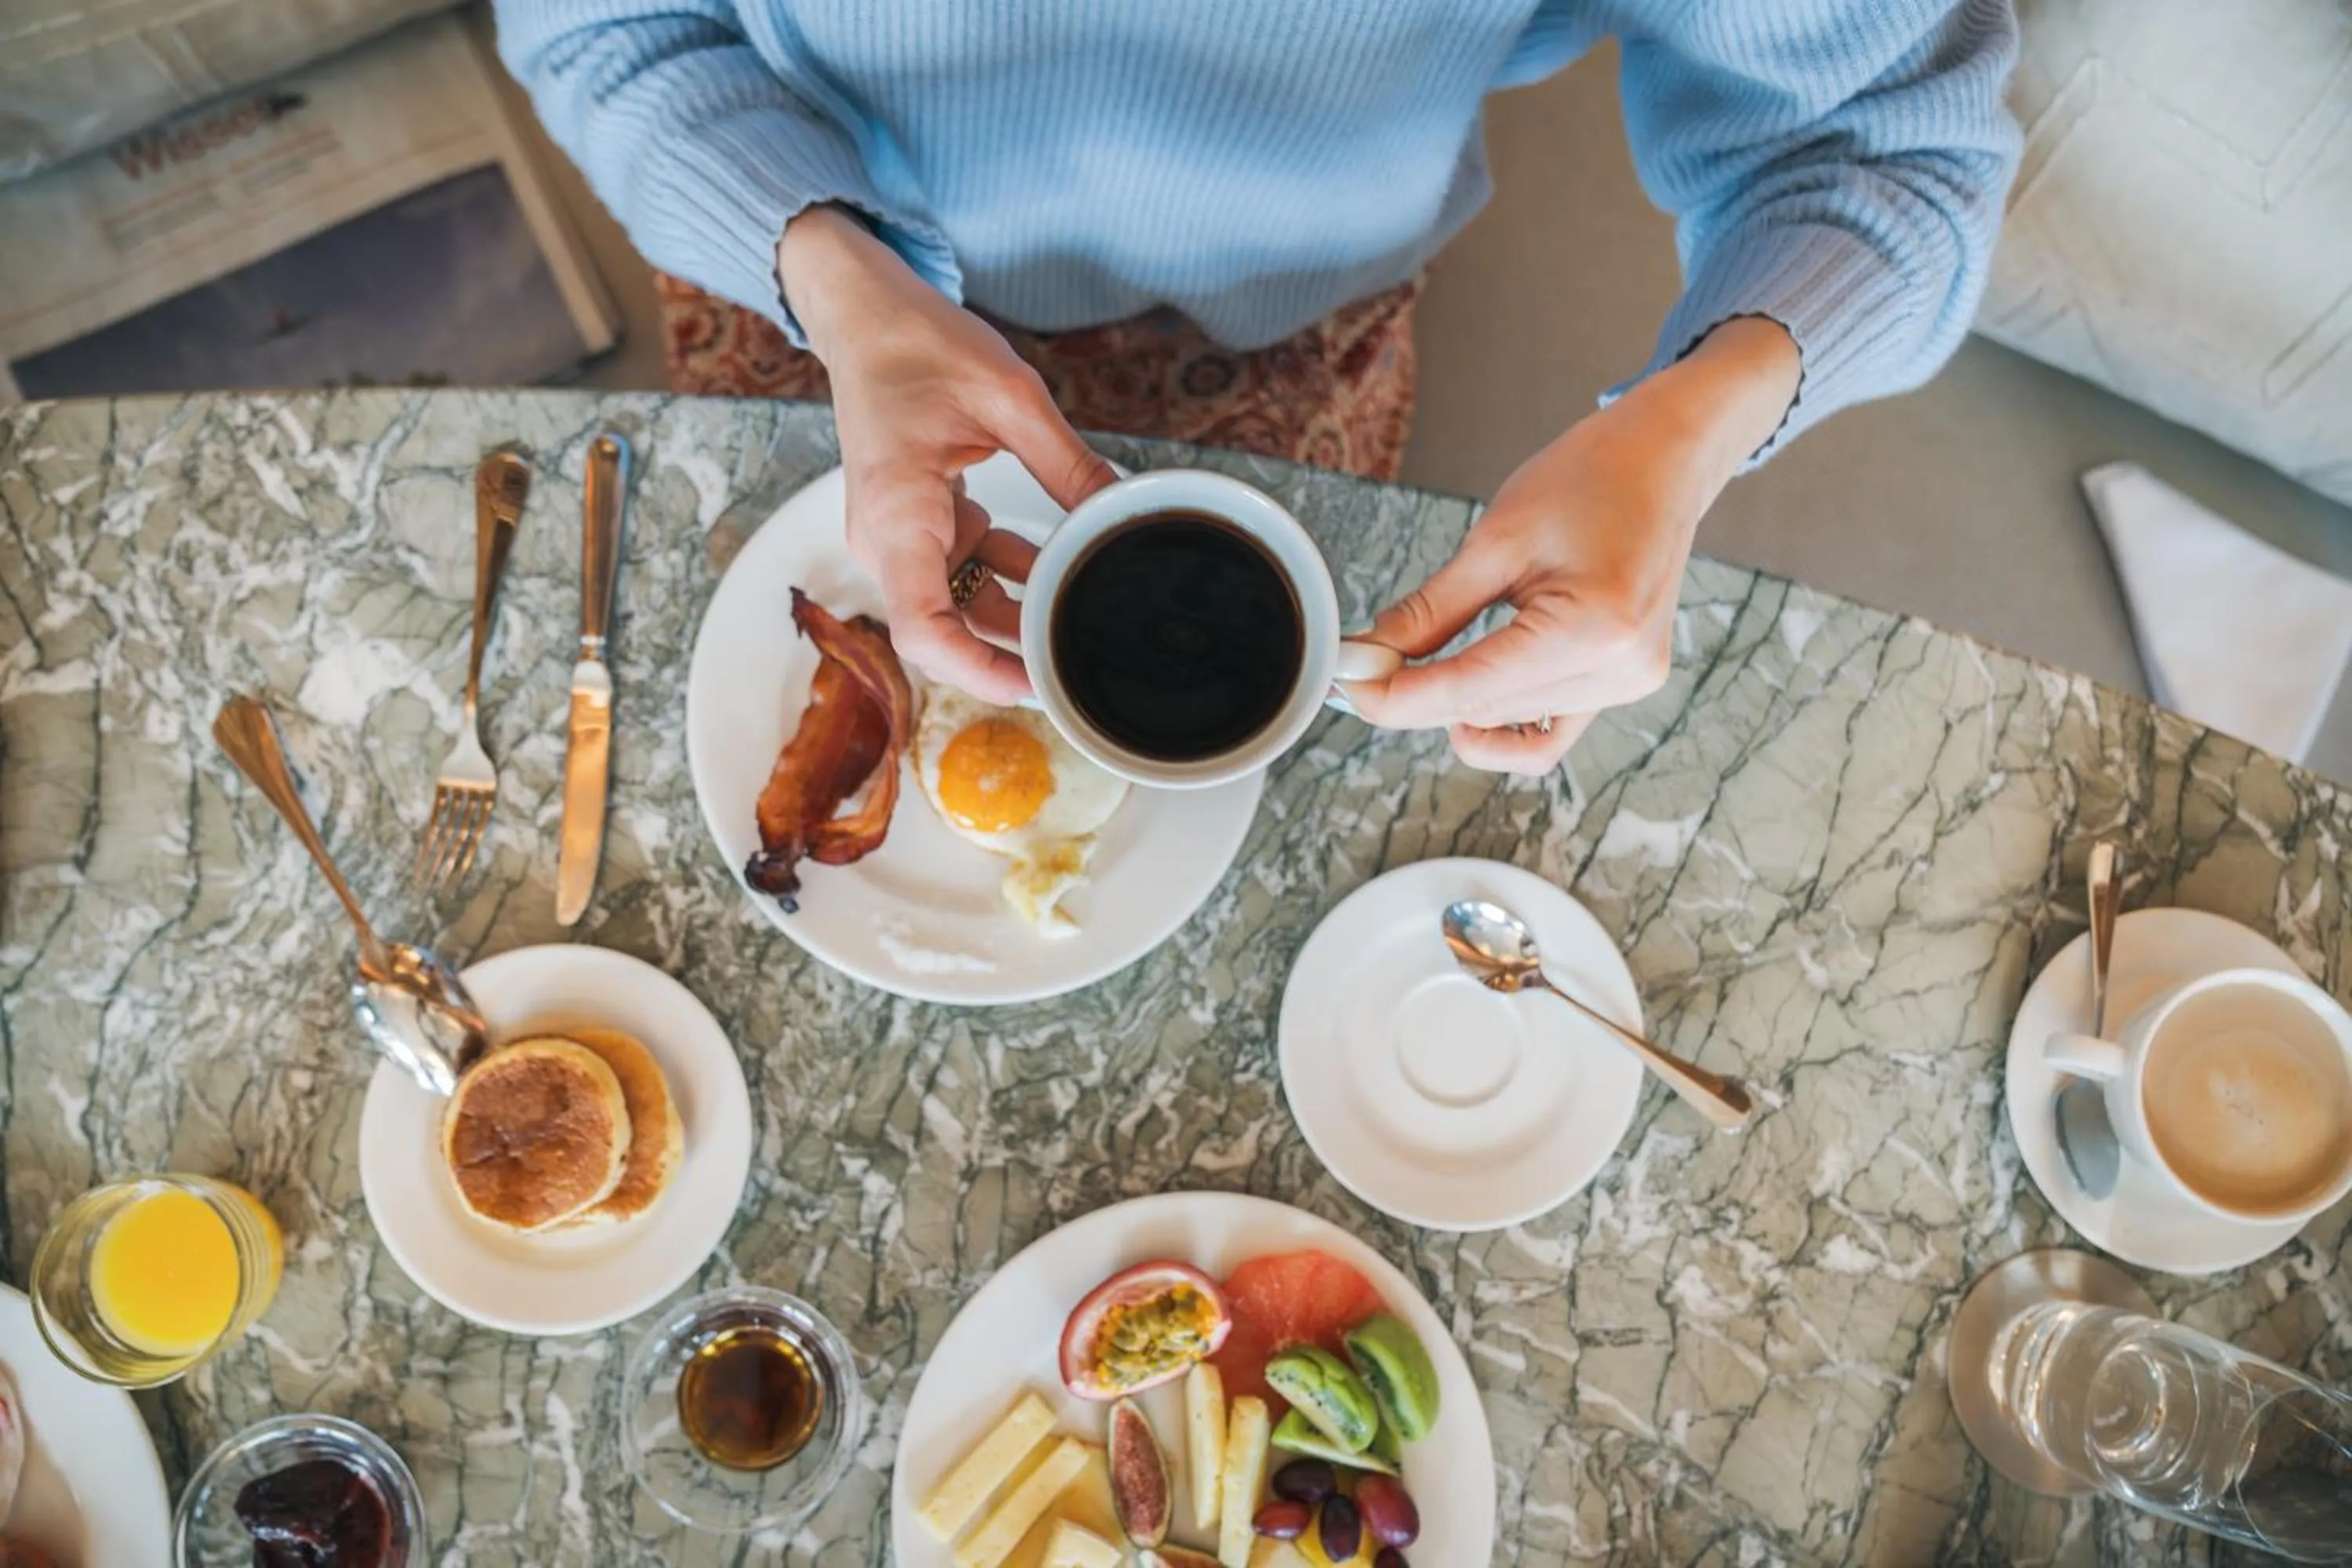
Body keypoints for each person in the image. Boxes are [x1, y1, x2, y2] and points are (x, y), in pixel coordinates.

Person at [499, 1, 2020, 774]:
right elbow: (603, 23)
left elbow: (1885, 143)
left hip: (1303, 315)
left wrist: (1683, 434)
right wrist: (831, 275)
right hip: (796, 240)